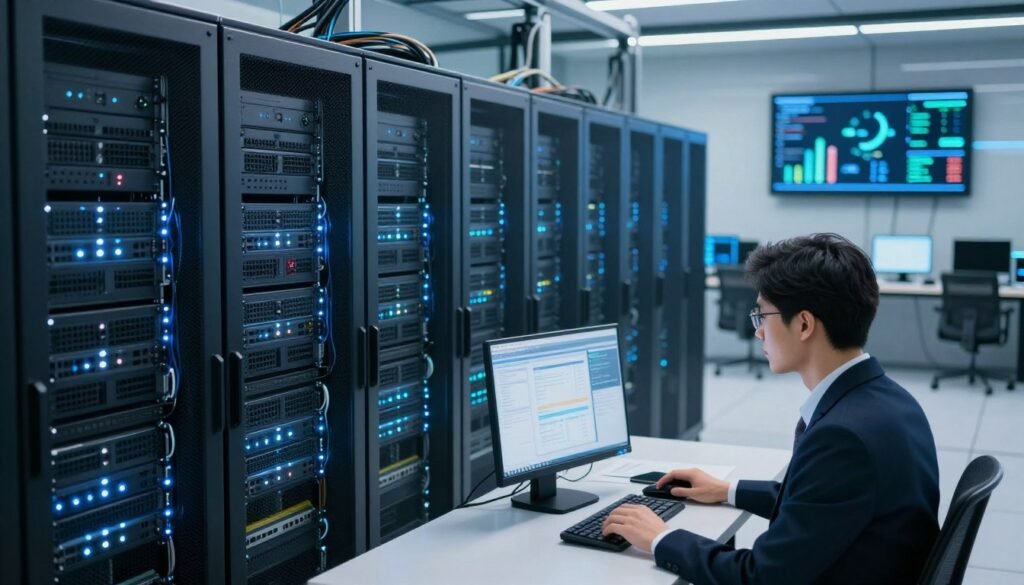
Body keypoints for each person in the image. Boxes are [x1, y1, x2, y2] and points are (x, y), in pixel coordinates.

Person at [602, 233, 940, 584]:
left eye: (762, 315)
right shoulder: (889, 401)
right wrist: (727, 490)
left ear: (804, 324)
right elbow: (822, 501)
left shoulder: (842, 437)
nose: (759, 332)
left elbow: (760, 577)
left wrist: (660, 538)